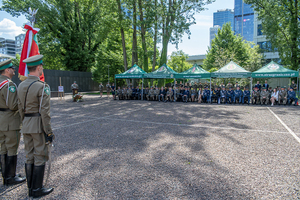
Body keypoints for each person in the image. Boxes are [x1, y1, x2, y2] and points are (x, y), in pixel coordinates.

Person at [17, 55, 54, 198]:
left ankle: (30, 189)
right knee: (40, 156)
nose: (42, 69)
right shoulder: (42, 86)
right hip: (38, 126)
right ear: (38, 68)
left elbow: (20, 108)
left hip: (26, 124)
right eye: (42, 67)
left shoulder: (21, 85)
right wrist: (49, 131)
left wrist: (25, 122)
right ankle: (37, 189)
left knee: (29, 156)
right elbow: (45, 112)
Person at [0, 59, 26, 186]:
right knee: (11, 148)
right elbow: (13, 105)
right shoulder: (8, 85)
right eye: (12, 68)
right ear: (6, 70)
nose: (14, 70)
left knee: (3, 148)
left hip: (1, 119)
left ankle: (5, 175)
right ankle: (10, 177)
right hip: (10, 121)